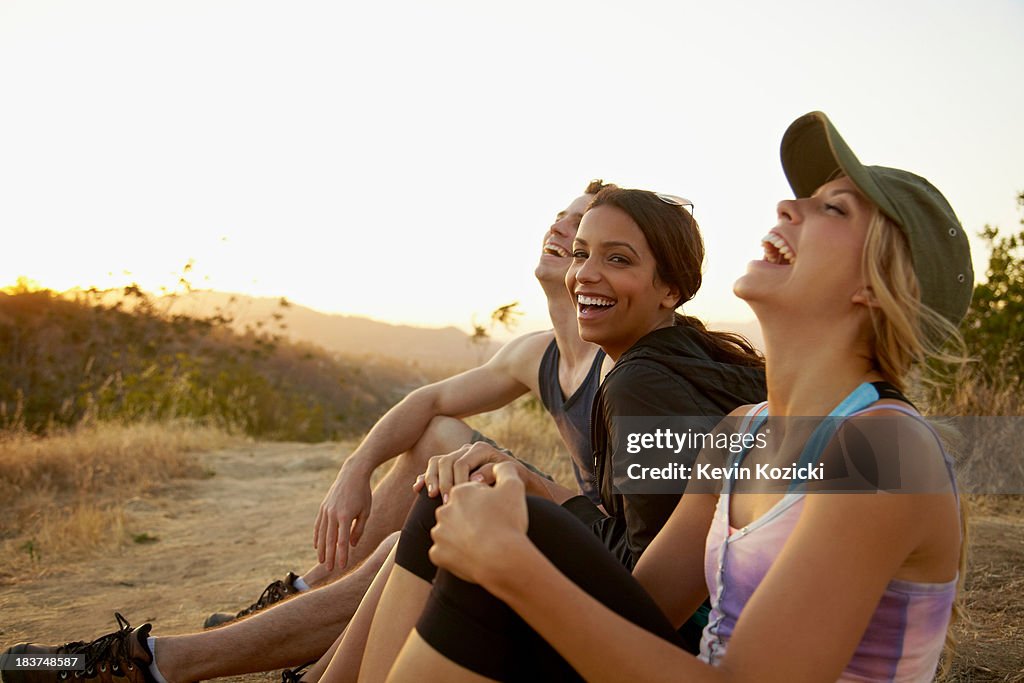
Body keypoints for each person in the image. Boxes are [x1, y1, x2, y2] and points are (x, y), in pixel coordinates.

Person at [361, 112, 973, 682]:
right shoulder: (740, 432)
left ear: (876, 284)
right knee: (459, 501)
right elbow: (640, 604)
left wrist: (513, 568)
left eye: (833, 210)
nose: (788, 206)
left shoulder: (884, 452)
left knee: (501, 547)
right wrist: (519, 503)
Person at [0, 181, 617, 683]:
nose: (559, 229)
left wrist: (523, 482)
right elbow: (427, 400)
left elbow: (654, 531)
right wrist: (355, 473)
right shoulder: (536, 352)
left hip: (600, 566)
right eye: (560, 218)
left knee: (424, 528)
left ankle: (151, 662)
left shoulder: (629, 369)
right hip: (582, 535)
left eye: (581, 228)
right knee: (439, 435)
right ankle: (302, 596)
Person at [330, 183, 768, 682]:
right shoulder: (690, 357)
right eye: (582, 254)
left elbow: (651, 591)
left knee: (451, 500)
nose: (585, 274)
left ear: (670, 288)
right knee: (472, 493)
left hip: (674, 644)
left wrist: (525, 540)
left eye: (619, 260)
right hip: (684, 617)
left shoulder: (641, 384)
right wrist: (532, 484)